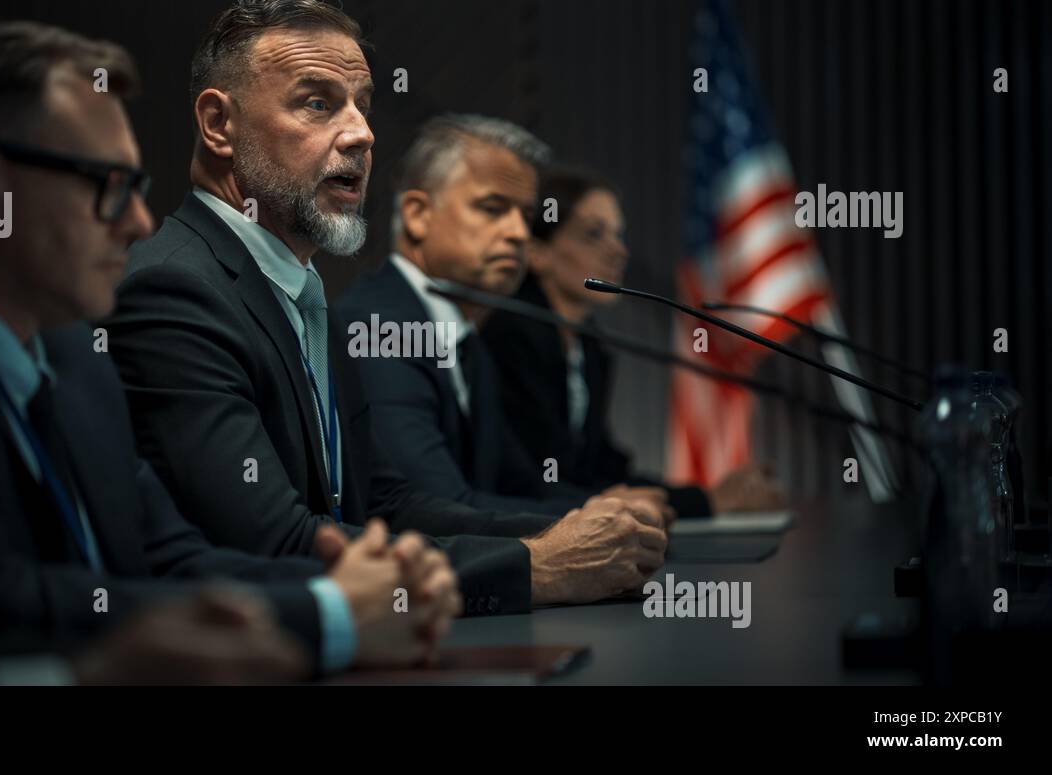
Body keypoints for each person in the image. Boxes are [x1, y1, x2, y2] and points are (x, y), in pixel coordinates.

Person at [0, 18, 459, 678]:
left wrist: (365, 588)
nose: (135, 221)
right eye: (108, 186)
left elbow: (174, 557)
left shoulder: (76, 359)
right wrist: (330, 611)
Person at [106, 0, 668, 614]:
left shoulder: (301, 291)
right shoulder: (174, 289)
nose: (362, 134)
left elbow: (382, 504)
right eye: (317, 103)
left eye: (363, 105)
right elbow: (273, 540)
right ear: (219, 124)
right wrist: (537, 567)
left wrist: (566, 532)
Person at [337, 114, 607, 518]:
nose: (518, 233)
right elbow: (431, 508)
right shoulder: (379, 327)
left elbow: (521, 485)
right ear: (417, 215)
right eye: (493, 208)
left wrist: (609, 508)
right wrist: (593, 521)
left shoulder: (466, 339)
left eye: (526, 216)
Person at [482, 166, 785, 517]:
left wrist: (708, 495)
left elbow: (603, 471)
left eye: (618, 235)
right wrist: (707, 503)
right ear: (537, 253)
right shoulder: (510, 336)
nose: (618, 252)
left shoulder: (588, 347)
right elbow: (527, 486)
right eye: (594, 235)